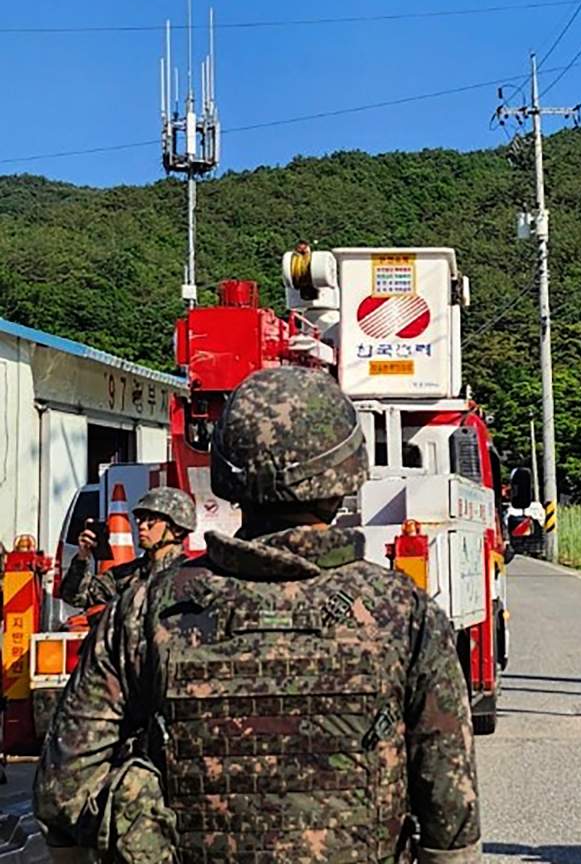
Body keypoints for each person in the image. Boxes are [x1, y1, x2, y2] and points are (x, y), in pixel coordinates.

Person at [34, 366, 482, 863]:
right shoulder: (404, 611)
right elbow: (450, 809)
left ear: (228, 471)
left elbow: (64, 786)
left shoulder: (146, 607)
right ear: (347, 473)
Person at [61, 486, 195, 609]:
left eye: (151, 520)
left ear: (177, 529)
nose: (142, 526)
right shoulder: (126, 575)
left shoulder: (193, 577)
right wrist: (82, 557)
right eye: (141, 519)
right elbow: (76, 597)